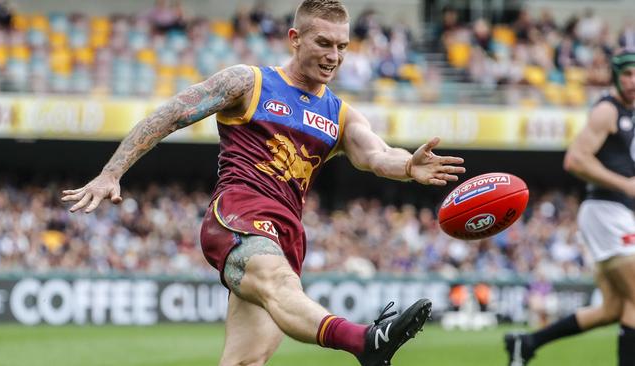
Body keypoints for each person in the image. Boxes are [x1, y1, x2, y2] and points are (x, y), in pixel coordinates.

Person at [62, 1, 466, 365]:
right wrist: (112, 171)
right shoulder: (249, 83)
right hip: (239, 215)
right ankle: (364, 340)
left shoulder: (340, 114)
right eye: (324, 43)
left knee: (245, 361)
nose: (334, 56)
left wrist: (408, 167)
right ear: (294, 38)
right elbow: (170, 114)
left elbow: (377, 155)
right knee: (280, 284)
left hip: (285, 233)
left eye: (342, 47)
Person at [504, 49, 635, 366]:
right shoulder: (607, 111)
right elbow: (575, 159)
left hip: (615, 214)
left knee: (614, 309)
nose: (634, 81)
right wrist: (626, 184)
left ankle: (527, 342)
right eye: (628, 74)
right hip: (607, 212)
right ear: (616, 76)